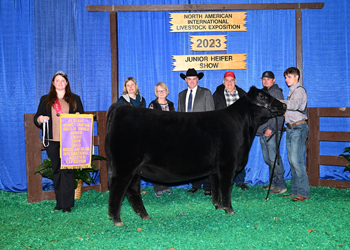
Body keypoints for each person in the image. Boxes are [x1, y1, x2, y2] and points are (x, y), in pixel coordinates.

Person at [34, 71, 84, 213]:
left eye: (63, 81)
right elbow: (37, 117)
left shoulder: (75, 98)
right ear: (53, 83)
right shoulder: (46, 99)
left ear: (66, 83)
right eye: (57, 80)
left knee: (68, 171)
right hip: (52, 140)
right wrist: (41, 119)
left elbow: (81, 116)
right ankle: (59, 202)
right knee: (56, 170)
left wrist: (78, 116)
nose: (60, 83)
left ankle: (67, 204)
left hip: (70, 140)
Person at [178, 68, 215, 196]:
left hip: (202, 131)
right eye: (189, 79)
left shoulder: (206, 93)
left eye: (194, 79)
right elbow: (180, 115)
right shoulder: (181, 95)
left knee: (206, 159)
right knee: (192, 160)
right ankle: (196, 185)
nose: (192, 81)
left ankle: (208, 186)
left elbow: (211, 114)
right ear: (186, 80)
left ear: (197, 80)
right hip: (187, 132)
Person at [212, 71, 249, 191]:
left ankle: (240, 180)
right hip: (223, 131)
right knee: (222, 156)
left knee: (240, 154)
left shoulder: (243, 95)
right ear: (223, 82)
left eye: (231, 80)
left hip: (240, 130)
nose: (229, 83)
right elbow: (213, 112)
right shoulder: (217, 95)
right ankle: (222, 179)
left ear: (235, 82)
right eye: (227, 80)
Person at [280, 67, 310, 201]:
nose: (287, 79)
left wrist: (280, 103)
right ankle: (295, 190)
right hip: (291, 128)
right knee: (292, 161)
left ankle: (304, 193)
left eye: (289, 77)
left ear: (297, 77)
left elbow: (297, 105)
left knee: (297, 161)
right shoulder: (291, 92)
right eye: (286, 77)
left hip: (299, 128)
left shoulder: (299, 91)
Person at [257, 71, 287, 194]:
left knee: (274, 158)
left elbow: (280, 112)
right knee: (268, 158)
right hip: (264, 130)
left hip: (271, 130)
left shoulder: (276, 92)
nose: (265, 81)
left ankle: (281, 184)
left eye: (268, 79)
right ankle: (273, 182)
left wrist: (272, 128)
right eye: (264, 79)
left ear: (273, 80)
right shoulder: (264, 92)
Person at [117, 76, 147, 193]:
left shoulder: (141, 100)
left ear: (136, 87)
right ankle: (125, 187)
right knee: (127, 163)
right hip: (126, 135)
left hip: (139, 134)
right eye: (127, 85)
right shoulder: (121, 100)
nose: (130, 87)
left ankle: (136, 188)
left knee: (138, 162)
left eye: (132, 85)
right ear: (125, 88)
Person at [148, 82, 175, 197]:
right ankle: (158, 187)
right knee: (156, 163)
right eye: (159, 91)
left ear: (166, 92)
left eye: (163, 90)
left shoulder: (171, 105)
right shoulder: (152, 105)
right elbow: (148, 121)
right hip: (156, 137)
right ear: (156, 93)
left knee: (167, 163)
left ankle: (166, 185)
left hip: (169, 137)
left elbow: (175, 121)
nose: (161, 93)